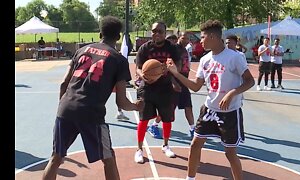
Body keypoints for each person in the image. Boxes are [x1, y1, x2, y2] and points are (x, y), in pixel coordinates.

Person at [42, 16, 144, 180]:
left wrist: (63, 109)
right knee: (108, 160)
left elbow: (63, 84)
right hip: (90, 112)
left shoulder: (81, 51)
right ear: (118, 37)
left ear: (99, 34)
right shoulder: (118, 60)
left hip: (66, 108)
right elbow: (121, 102)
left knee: (56, 158)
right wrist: (136, 107)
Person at [166, 19, 255, 180]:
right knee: (195, 144)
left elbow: (250, 81)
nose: (200, 41)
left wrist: (231, 93)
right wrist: (175, 73)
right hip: (209, 109)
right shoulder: (205, 60)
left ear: (213, 37)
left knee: (230, 153)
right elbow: (195, 86)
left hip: (229, 112)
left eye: (202, 37)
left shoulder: (234, 57)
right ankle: (190, 178)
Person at [134, 21, 181, 163]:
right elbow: (137, 68)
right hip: (147, 88)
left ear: (165, 33)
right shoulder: (144, 48)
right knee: (143, 119)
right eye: (155, 31)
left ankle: (166, 145)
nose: (157, 34)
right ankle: (139, 149)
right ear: (151, 32)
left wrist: (171, 73)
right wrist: (144, 76)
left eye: (160, 31)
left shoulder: (171, 48)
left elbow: (177, 65)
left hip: (165, 88)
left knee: (167, 119)